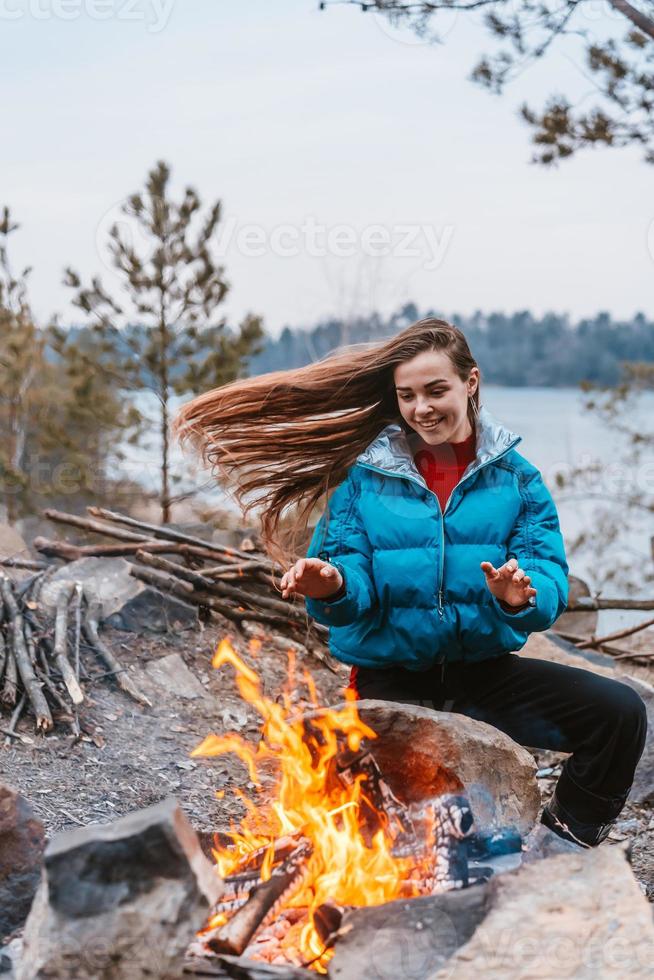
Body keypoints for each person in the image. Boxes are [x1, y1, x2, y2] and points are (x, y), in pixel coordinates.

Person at [175, 317, 647, 849]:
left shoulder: (518, 480)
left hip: (483, 677)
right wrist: (331, 584)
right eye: (407, 395)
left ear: (471, 382)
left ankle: (565, 843)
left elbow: (547, 577)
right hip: (390, 681)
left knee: (620, 712)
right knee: (431, 839)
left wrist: (523, 595)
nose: (422, 407)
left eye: (436, 390)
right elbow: (350, 587)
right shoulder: (365, 480)